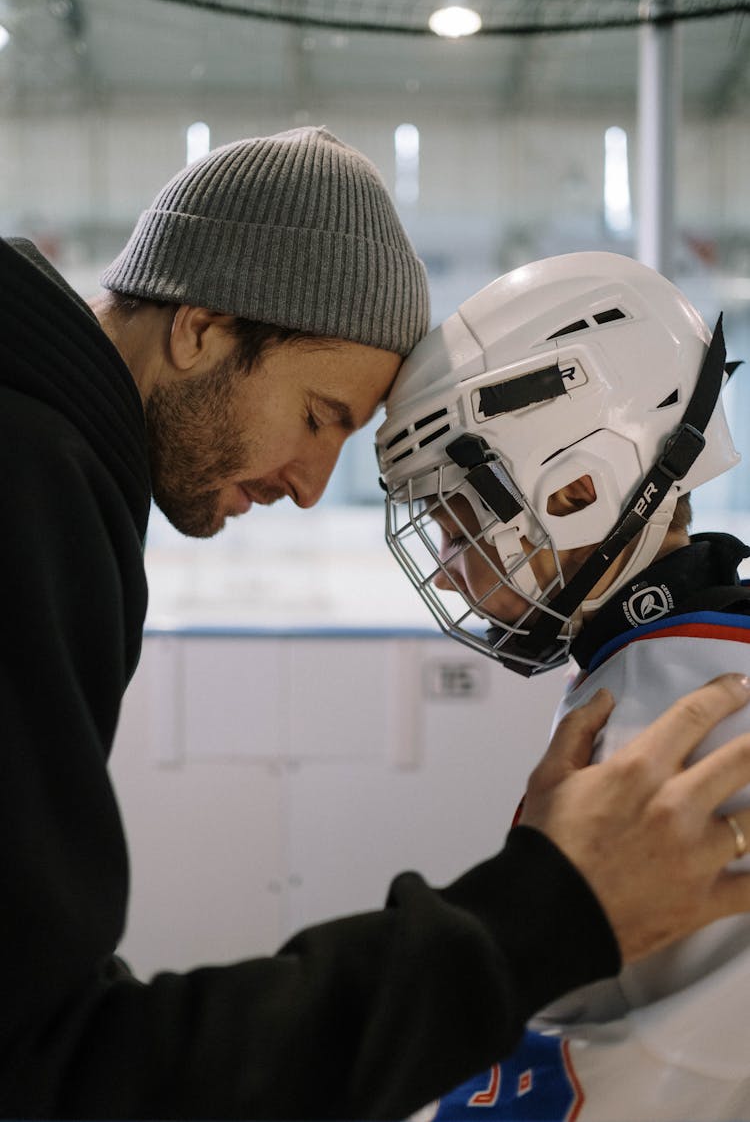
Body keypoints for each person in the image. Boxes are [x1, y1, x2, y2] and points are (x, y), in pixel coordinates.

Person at [2, 128, 750, 1122]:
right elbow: (57, 1068)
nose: (315, 490)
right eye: (320, 415)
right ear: (202, 327)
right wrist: (539, 916)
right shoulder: (30, 485)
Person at [376, 250, 750, 1120]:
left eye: (459, 518)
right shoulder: (664, 659)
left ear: (581, 484)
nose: (448, 569)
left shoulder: (681, 701)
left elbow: (664, 1073)